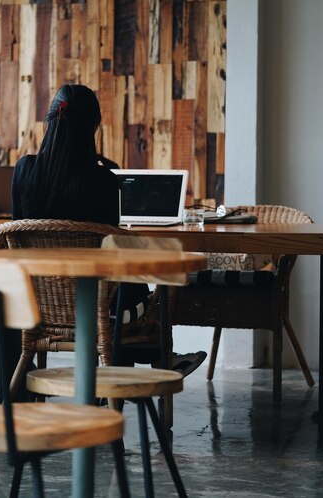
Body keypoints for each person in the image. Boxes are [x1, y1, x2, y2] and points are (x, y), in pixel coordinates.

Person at [10, 84, 205, 384]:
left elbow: (19, 240)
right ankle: (147, 364)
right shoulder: (104, 181)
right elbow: (112, 252)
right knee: (133, 282)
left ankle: (18, 387)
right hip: (101, 310)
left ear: (49, 121)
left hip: (38, 305)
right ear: (93, 128)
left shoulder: (24, 170)